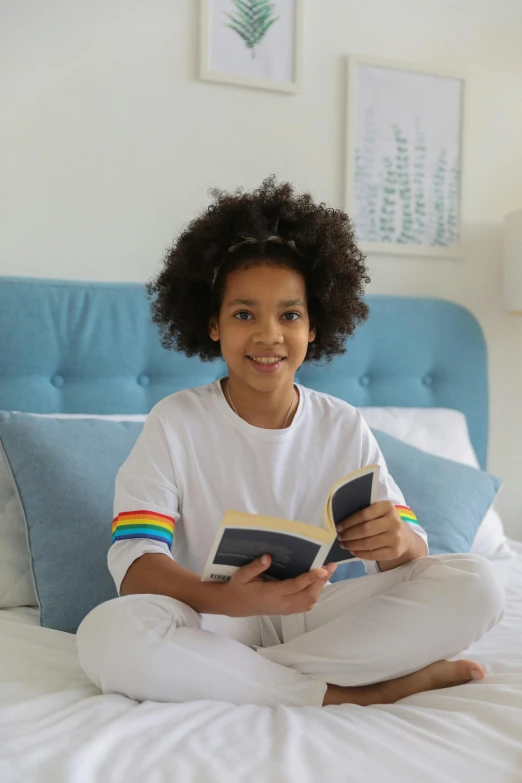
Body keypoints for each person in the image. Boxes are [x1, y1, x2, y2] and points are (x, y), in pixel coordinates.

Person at [76, 177, 504, 708]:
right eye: (243, 314)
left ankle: (244, 681)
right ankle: (350, 693)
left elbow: (410, 553)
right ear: (212, 324)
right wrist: (224, 599)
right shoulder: (176, 421)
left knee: (478, 582)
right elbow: (135, 559)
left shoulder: (343, 424)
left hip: (314, 617)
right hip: (210, 620)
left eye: (290, 315)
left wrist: (397, 542)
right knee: (106, 633)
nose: (268, 335)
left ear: (314, 327)